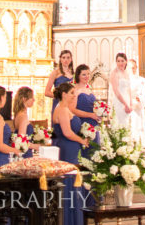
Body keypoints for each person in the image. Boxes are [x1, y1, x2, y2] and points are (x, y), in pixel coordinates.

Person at [52, 83, 91, 225]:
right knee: (69, 184)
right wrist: (82, 140)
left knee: (73, 182)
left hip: (71, 148)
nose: (74, 95)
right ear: (64, 94)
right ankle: (70, 220)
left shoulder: (63, 108)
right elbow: (67, 132)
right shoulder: (62, 109)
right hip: (67, 149)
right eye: (72, 93)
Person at [128, 58, 145, 148]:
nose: (132, 70)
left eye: (134, 67)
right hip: (127, 109)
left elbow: (144, 96)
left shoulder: (141, 80)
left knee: (138, 129)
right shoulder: (124, 81)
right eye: (130, 68)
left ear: (136, 68)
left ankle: (141, 151)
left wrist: (140, 98)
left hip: (137, 109)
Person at [109, 52, 132, 129]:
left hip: (127, 101)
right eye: (118, 61)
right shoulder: (114, 73)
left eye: (122, 61)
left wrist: (130, 104)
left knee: (127, 125)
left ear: (126, 61)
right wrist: (125, 104)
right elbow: (116, 92)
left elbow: (129, 90)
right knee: (119, 125)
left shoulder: (126, 73)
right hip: (119, 101)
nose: (120, 63)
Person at [12, 85, 36, 158]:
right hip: (25, 154)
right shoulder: (22, 116)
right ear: (24, 99)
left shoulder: (18, 114)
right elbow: (21, 141)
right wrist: (37, 146)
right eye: (32, 97)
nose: (34, 100)